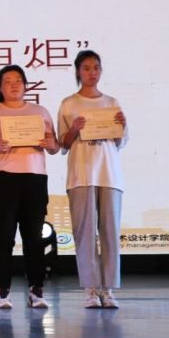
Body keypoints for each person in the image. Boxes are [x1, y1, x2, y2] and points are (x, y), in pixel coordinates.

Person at [0, 64, 60, 309]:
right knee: (4, 236)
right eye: (7, 81)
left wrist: (49, 144)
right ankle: (3, 291)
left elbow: (54, 147)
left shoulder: (40, 112)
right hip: (3, 178)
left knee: (34, 236)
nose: (13, 85)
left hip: (35, 178)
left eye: (18, 81)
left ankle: (36, 289)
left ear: (25, 85)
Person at [57, 50, 128, 309]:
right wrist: (74, 130)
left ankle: (107, 289)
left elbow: (119, 141)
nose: (92, 72)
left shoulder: (111, 102)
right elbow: (63, 143)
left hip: (109, 174)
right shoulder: (69, 103)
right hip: (81, 175)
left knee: (109, 232)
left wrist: (121, 125)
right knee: (84, 233)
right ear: (78, 71)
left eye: (96, 67)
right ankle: (90, 289)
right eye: (86, 68)